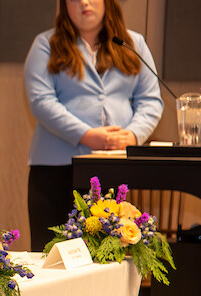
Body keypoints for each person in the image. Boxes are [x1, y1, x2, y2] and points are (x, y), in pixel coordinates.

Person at [23, 0, 162, 250]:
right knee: (51, 255)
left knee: (108, 255)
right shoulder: (46, 44)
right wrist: (85, 134)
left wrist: (133, 135)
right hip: (55, 169)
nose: (84, 2)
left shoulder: (133, 43)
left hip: (112, 166)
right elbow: (40, 101)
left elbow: (151, 101)